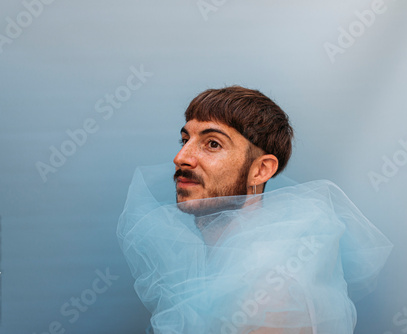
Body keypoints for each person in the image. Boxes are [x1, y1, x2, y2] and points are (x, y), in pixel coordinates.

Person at [118, 86, 393, 334]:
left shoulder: (270, 295)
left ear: (260, 170)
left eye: (212, 143)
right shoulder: (225, 266)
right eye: (185, 139)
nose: (181, 158)